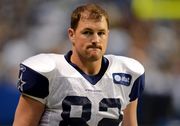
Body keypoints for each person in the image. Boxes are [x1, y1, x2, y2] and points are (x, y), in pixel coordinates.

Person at [13, 3, 145, 126]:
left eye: (101, 33)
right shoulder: (49, 72)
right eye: (87, 32)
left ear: (108, 35)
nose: (95, 39)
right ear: (72, 35)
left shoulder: (127, 73)